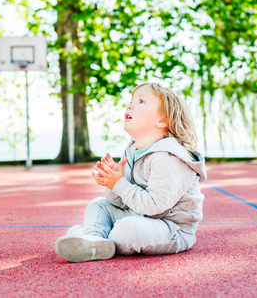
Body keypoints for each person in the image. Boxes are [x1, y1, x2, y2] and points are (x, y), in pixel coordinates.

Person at [54, 82, 207, 262]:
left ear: (162, 120)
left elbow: (154, 207)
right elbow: (119, 202)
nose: (130, 105)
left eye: (141, 101)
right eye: (131, 101)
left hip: (172, 228)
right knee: (98, 205)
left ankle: (95, 235)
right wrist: (112, 183)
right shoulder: (133, 151)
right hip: (139, 214)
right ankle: (94, 237)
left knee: (128, 230)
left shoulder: (169, 157)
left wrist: (120, 184)